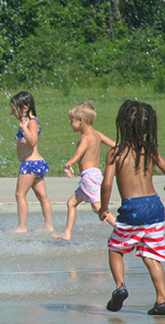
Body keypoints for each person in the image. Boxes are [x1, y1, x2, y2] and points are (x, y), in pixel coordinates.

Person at [99, 100, 165, 315]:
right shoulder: (151, 149)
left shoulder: (116, 153)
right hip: (156, 207)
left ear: (122, 125)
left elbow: (107, 183)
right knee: (151, 254)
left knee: (115, 248)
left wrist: (104, 208)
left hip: (133, 208)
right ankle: (162, 300)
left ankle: (120, 287)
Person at [52, 103, 117, 241]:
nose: (71, 124)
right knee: (71, 203)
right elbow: (114, 145)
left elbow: (79, 154)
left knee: (98, 208)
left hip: (89, 177)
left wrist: (69, 163)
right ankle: (67, 232)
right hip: (94, 175)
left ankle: (121, 229)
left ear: (81, 119)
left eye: (72, 121)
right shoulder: (97, 134)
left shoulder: (85, 137)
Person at [9, 91, 54, 234]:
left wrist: (24, 129)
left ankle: (22, 226)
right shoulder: (29, 122)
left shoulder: (32, 123)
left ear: (25, 108)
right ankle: (48, 225)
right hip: (36, 164)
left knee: (19, 194)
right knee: (42, 196)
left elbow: (33, 141)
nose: (12, 113)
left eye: (14, 110)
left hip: (30, 164)